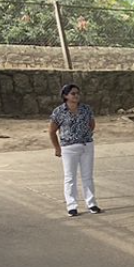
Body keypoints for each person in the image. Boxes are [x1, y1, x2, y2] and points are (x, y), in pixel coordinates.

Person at [49, 83, 102, 216]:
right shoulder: (59, 111)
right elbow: (52, 131)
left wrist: (85, 135)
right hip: (68, 147)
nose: (76, 96)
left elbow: (92, 124)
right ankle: (71, 205)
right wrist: (57, 148)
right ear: (65, 96)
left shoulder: (86, 109)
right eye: (73, 93)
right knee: (70, 177)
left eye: (77, 93)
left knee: (87, 176)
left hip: (86, 145)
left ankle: (92, 203)